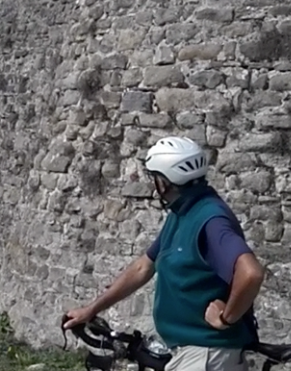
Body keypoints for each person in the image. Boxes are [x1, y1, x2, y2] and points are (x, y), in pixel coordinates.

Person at [63, 136, 266, 371]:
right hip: (189, 353)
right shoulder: (182, 213)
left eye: (155, 178)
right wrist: (92, 309)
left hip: (208, 356)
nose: (154, 184)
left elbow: (251, 273)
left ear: (166, 181)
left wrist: (225, 318)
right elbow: (144, 267)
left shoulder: (211, 220)